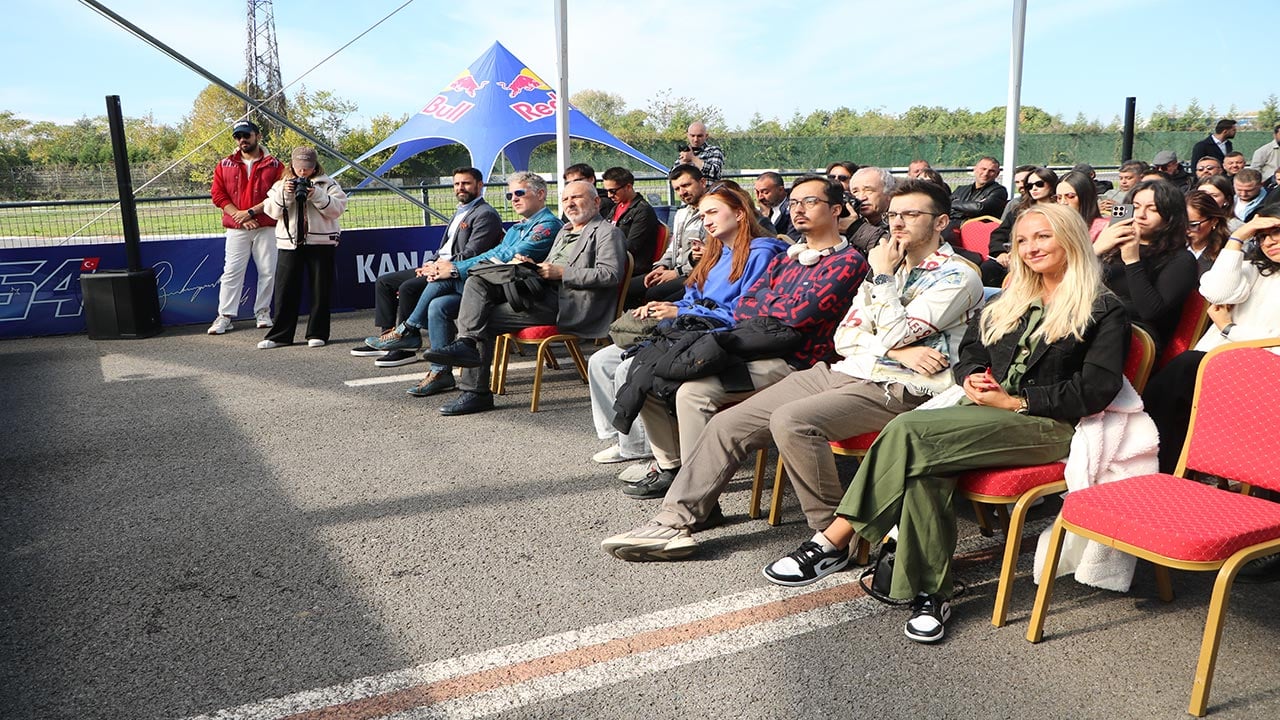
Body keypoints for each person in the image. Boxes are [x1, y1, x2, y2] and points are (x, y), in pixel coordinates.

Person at [762, 203, 1129, 644]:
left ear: (1070, 239)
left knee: (909, 430)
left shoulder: (1103, 308)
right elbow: (971, 350)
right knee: (925, 469)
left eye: (1043, 237)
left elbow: (1097, 388)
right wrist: (970, 377)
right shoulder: (1015, 295)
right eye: (1023, 240)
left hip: (1044, 422)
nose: (1031, 248)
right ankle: (932, 594)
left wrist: (1015, 399)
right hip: (980, 410)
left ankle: (834, 540)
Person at [602, 179, 982, 560]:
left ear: (940, 222)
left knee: (792, 420)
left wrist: (882, 288)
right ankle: (675, 521)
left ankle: (833, 536)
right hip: (848, 368)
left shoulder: (955, 275)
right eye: (893, 215)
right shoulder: (887, 267)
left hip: (901, 386)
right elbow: (846, 337)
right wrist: (899, 349)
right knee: (727, 423)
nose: (897, 223)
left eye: (911, 214)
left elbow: (893, 330)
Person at [588, 183, 789, 476]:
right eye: (703, 214)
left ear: (740, 214)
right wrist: (663, 310)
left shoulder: (761, 253)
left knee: (630, 370)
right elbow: (693, 297)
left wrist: (680, 311)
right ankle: (636, 446)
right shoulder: (717, 252)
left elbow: (744, 313)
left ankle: (665, 461)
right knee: (602, 360)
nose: (706, 220)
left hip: (717, 336)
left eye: (713, 212)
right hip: (689, 328)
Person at [421, 180, 625, 415]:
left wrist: (563, 273)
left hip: (569, 304)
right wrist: (533, 265)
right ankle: (466, 344)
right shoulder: (565, 230)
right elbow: (551, 264)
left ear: (596, 201)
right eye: (566, 199)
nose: (570, 204)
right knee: (477, 279)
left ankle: (476, 392)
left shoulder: (608, 233)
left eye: (576, 198)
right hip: (541, 291)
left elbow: (610, 275)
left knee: (481, 319)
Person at [368, 172, 563, 398]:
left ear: (541, 194)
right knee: (438, 306)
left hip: (514, 290)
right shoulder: (518, 227)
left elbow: (508, 256)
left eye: (519, 193)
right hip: (498, 285)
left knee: (444, 281)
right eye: (509, 195)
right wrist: (448, 267)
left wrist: (452, 269)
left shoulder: (547, 226)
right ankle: (439, 372)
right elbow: (495, 253)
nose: (513, 199)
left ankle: (408, 330)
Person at [1144, 207, 1280, 473]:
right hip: (1218, 364)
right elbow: (1216, 293)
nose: (1270, 241)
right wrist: (1239, 236)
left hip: (1264, 371)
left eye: (1277, 233)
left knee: (1185, 369)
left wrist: (1229, 329)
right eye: (1263, 236)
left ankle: (1165, 471)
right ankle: (1159, 470)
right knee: (1168, 388)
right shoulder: (1253, 269)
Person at [357, 167, 502, 367]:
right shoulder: (461, 211)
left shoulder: (485, 214)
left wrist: (436, 267)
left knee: (408, 287)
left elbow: (471, 254)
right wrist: (430, 262)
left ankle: (404, 347)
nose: (461, 188)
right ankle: (387, 339)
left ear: (479, 185)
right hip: (437, 265)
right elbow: (445, 247)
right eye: (457, 184)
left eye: (466, 183)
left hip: (454, 271)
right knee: (384, 282)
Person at [256, 147, 347, 349]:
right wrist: (286, 195)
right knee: (285, 290)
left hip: (321, 243)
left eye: (307, 168)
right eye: (299, 168)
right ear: (292, 166)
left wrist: (316, 195)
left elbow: (337, 210)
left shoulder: (328, 184)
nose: (303, 172)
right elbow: (272, 211)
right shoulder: (280, 185)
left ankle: (318, 333)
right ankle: (280, 335)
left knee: (320, 290)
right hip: (289, 243)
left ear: (315, 166)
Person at [1093, 179, 1198, 353]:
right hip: (1096, 322)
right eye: (1135, 206)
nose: (1140, 215)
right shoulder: (1110, 246)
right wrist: (1094, 250)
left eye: (1153, 209)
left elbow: (1150, 312)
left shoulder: (1181, 259)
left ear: (1170, 216)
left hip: (1134, 336)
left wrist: (1133, 261)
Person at [208, 120, 284, 335]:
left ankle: (262, 312)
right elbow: (218, 195)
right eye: (238, 136)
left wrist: (252, 213)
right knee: (232, 271)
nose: (242, 140)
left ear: (257, 136)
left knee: (268, 271)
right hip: (237, 228)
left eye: (246, 135)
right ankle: (225, 316)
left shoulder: (276, 165)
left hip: (266, 226)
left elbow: (278, 195)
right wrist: (240, 216)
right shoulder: (224, 164)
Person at [631, 164, 707, 307]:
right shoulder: (681, 213)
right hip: (678, 270)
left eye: (686, 185)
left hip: (696, 273)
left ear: (702, 182)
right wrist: (661, 267)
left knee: (654, 293)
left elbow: (707, 257)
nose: (682, 192)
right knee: (626, 287)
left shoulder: (711, 214)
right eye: (677, 189)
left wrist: (676, 273)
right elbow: (673, 248)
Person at [983, 167, 1058, 286]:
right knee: (988, 268)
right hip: (1010, 258)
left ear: (1051, 185)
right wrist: (1000, 253)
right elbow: (999, 234)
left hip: (1040, 257)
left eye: (1039, 184)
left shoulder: (1061, 212)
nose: (1034, 189)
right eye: (1029, 186)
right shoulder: (1018, 210)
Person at [602, 166, 660, 275]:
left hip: (631, 269)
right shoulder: (617, 206)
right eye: (607, 191)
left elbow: (631, 247)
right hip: (614, 263)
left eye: (613, 191)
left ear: (628, 187)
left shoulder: (643, 210)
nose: (609, 195)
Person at [846, 166, 895, 255]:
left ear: (889, 194)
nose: (861, 198)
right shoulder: (846, 220)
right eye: (855, 192)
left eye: (869, 190)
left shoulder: (900, 220)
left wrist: (855, 228)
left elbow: (894, 250)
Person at [949, 156, 1008, 230]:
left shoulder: (999, 191)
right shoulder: (961, 189)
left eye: (991, 171)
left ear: (997, 174)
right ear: (975, 169)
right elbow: (945, 207)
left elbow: (980, 208)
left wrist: (953, 204)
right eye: (983, 169)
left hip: (977, 230)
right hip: (953, 224)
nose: (986, 173)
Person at [1185, 190, 1231, 275]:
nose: (1186, 230)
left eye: (1193, 225)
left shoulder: (1227, 253)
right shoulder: (1170, 248)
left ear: (1214, 221)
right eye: (1182, 224)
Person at [1056, 171, 1107, 240]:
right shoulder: (1053, 227)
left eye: (1071, 196)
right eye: (1059, 198)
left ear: (1086, 197)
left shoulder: (1103, 229)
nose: (1063, 202)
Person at [754, 171, 799, 240]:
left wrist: (765, 218)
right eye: (757, 192)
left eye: (765, 192)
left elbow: (789, 241)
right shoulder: (761, 210)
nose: (760, 197)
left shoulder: (794, 209)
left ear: (780, 190)